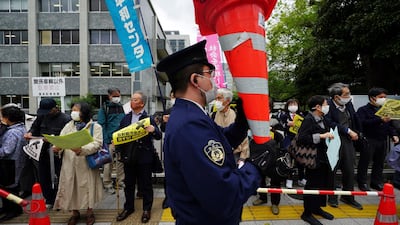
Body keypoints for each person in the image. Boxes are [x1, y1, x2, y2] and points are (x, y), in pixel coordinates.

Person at [157, 40, 261, 225]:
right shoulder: (189, 124)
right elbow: (223, 194)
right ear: (195, 80)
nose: (213, 80)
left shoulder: (191, 114)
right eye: (209, 74)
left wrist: (242, 123)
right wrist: (255, 167)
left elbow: (218, 142)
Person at [52, 102, 103, 225]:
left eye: (76, 110)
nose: (73, 112)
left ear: (84, 112)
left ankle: (89, 212)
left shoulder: (95, 127)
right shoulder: (68, 126)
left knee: (88, 187)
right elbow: (61, 139)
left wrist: (82, 150)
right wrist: (57, 147)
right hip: (69, 163)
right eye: (72, 110)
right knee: (71, 187)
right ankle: (74, 213)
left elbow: (97, 144)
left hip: (86, 163)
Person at [115, 91, 162, 223]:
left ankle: (147, 209)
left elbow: (158, 135)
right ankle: (128, 207)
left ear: (142, 103)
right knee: (129, 184)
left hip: (144, 157)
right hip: (128, 157)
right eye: (131, 99)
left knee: (146, 184)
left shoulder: (148, 119)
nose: (131, 101)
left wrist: (153, 130)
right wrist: (117, 147)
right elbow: (119, 135)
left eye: (135, 100)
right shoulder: (125, 118)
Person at [24, 98, 70, 208]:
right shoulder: (41, 117)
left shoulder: (65, 119)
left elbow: (68, 136)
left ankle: (63, 199)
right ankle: (49, 199)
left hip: (59, 152)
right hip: (42, 150)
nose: (47, 114)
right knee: (43, 176)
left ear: (55, 108)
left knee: (61, 175)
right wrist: (29, 133)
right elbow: (34, 128)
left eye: (49, 111)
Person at [324, 83, 363, 210]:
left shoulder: (348, 104)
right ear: (336, 97)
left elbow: (354, 117)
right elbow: (329, 122)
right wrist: (347, 130)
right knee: (332, 170)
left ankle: (348, 196)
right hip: (333, 139)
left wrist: (357, 132)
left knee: (349, 169)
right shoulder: (327, 106)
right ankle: (332, 197)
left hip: (348, 141)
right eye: (346, 94)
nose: (349, 96)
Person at [297, 95, 335, 225]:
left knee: (322, 184)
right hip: (313, 158)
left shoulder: (322, 118)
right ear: (318, 107)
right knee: (312, 185)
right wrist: (321, 136)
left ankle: (317, 208)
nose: (327, 106)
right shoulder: (308, 119)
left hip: (323, 157)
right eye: (325, 104)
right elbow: (302, 138)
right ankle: (307, 213)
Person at [356, 87, 399, 191]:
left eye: (385, 97)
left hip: (382, 139)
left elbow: (389, 125)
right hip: (369, 139)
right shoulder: (363, 110)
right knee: (365, 162)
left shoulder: (385, 109)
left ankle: (376, 182)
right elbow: (362, 123)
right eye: (381, 97)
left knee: (379, 163)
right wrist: (379, 119)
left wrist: (393, 134)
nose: (384, 99)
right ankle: (362, 182)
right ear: (372, 98)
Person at [0, 105, 26, 222]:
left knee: (8, 188)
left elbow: (6, 150)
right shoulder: (21, 128)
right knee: (13, 186)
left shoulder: (12, 132)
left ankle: (12, 210)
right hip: (17, 162)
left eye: (2, 116)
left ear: (8, 118)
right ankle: (10, 208)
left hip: (9, 163)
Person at [97, 88, 125, 194]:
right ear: (109, 96)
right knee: (108, 162)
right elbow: (101, 125)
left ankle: (120, 181)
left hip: (121, 139)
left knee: (120, 161)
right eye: (115, 96)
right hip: (109, 140)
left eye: (118, 95)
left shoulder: (121, 107)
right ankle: (107, 183)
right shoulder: (104, 108)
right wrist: (106, 140)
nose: (117, 98)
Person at [212, 88, 249, 162]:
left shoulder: (236, 116)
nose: (216, 101)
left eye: (219, 98)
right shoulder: (213, 115)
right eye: (216, 98)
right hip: (218, 154)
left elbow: (244, 138)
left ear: (228, 101)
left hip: (234, 155)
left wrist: (242, 158)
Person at [279, 99, 306, 188]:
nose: (293, 106)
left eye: (295, 104)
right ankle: (289, 179)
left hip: (299, 141)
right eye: (291, 104)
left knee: (300, 160)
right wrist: (287, 125)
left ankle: (301, 178)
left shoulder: (301, 116)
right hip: (288, 140)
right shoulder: (284, 116)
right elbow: (280, 127)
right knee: (289, 159)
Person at [160, 90, 175, 209]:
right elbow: (163, 129)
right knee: (168, 173)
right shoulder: (168, 111)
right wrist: (165, 122)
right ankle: (168, 197)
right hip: (170, 147)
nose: (173, 98)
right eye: (172, 96)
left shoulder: (186, 111)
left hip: (183, 147)